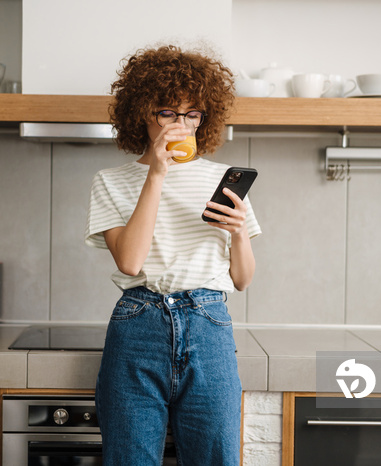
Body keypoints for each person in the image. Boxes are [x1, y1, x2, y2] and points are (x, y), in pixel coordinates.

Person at [84, 44, 261, 466]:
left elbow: (243, 279)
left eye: (191, 114)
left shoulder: (222, 179)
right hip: (137, 325)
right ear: (142, 112)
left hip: (208, 323)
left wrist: (239, 234)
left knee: (215, 457)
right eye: (168, 112)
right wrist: (157, 173)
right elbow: (130, 262)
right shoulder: (111, 181)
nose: (181, 125)